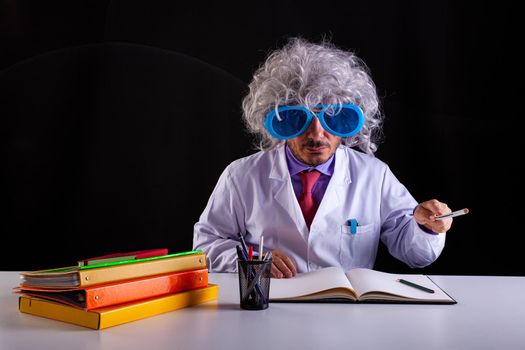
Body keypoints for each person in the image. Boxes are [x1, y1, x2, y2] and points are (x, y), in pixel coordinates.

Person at [193, 37, 453, 278]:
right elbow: (205, 245)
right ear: (278, 120)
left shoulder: (375, 175)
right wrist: (254, 260)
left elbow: (416, 255)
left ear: (349, 121)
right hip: (271, 307)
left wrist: (427, 226)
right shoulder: (241, 176)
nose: (317, 134)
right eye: (299, 118)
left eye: (333, 117)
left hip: (346, 313)